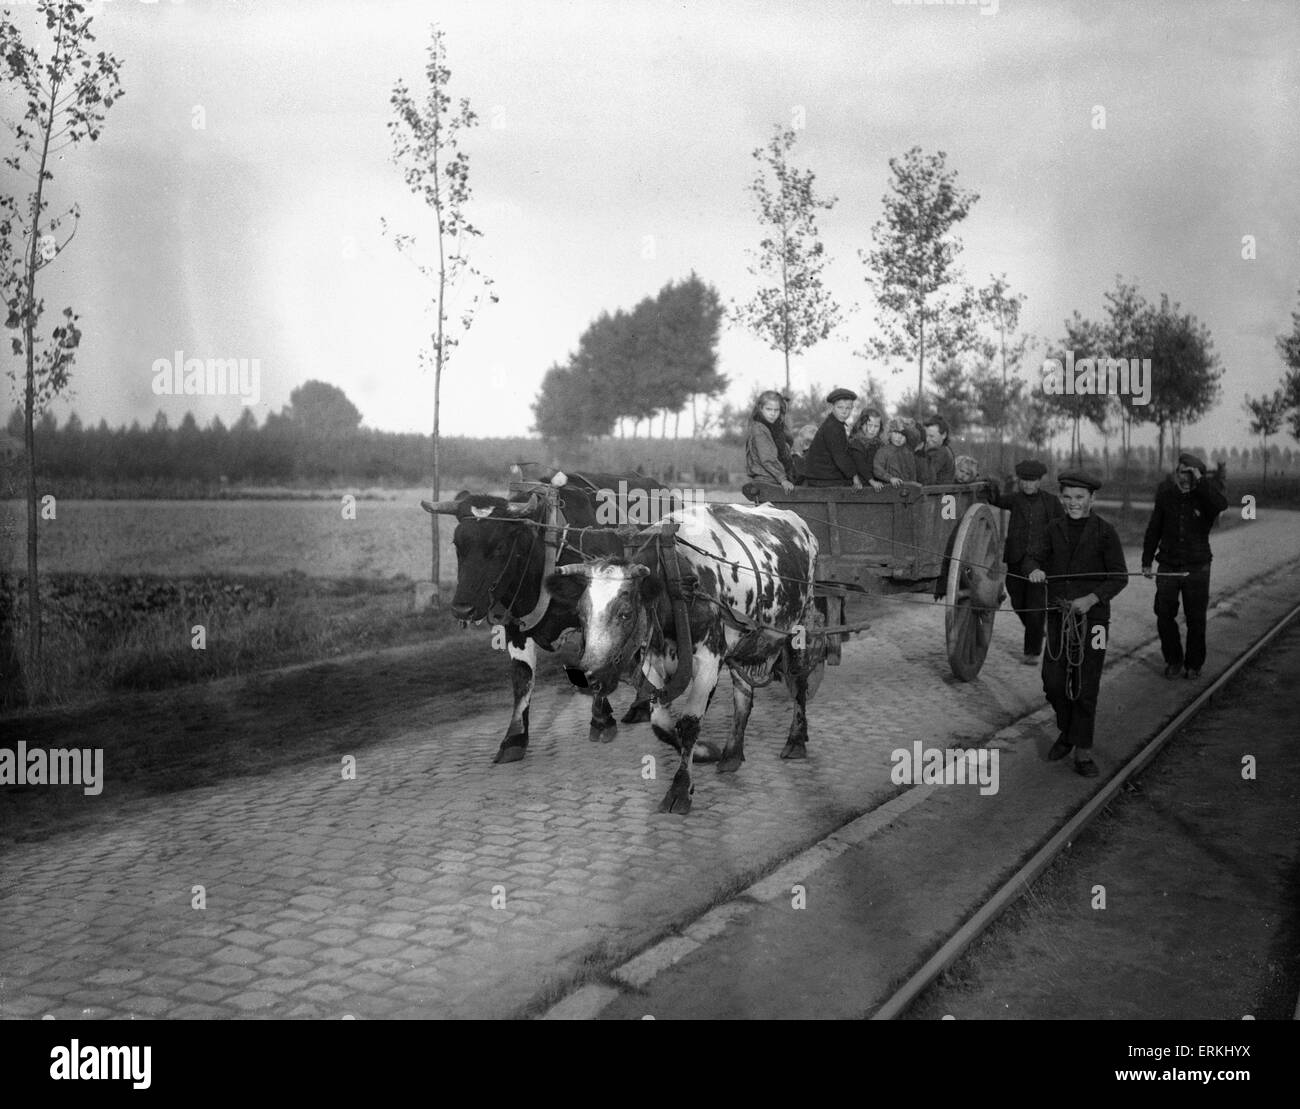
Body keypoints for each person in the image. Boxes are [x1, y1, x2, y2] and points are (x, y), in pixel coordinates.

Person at [1025, 471, 1128, 778]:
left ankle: (1082, 750)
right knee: (1052, 681)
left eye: (1080, 498)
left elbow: (1119, 577)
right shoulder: (1052, 529)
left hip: (1094, 620)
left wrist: (1092, 598)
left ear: (1091, 499)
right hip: (1059, 614)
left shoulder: (1105, 532)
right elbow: (1031, 557)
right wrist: (1034, 570)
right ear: (1061, 498)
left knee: (1086, 684)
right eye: (1067, 497)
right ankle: (1068, 730)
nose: (1073, 504)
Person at [1141, 452, 1229, 680]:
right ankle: (1174, 659)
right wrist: (1146, 561)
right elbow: (1154, 529)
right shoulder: (1166, 495)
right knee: (1163, 615)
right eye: (1181, 472)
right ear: (1176, 473)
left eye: (1190, 473)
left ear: (1197, 475)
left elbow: (1221, 505)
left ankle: (1194, 664)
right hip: (1168, 566)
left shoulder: (1205, 497)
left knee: (1196, 618)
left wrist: (1201, 482)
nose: (1184, 478)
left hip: (1197, 568)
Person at [988, 459, 1064, 664]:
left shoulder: (1052, 502)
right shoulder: (1015, 499)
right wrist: (990, 484)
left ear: (1040, 481)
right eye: (1024, 481)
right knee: (1018, 602)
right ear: (1020, 481)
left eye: (1032, 481)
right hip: (1015, 560)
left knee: (1035, 606)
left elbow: (1062, 529)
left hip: (1040, 564)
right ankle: (1037, 628)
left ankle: (1032, 651)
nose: (1028, 485)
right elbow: (995, 500)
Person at [802, 388, 859, 487]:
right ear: (832, 407)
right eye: (840, 407)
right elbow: (840, 456)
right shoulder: (832, 427)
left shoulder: (835, 424)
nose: (844, 411)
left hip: (821, 475)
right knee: (859, 485)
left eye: (848, 408)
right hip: (822, 478)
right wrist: (854, 476)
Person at [745, 390, 796, 492]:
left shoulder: (774, 428)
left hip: (772, 477)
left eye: (776, 410)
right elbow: (767, 458)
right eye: (769, 409)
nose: (773, 414)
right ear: (761, 409)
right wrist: (783, 480)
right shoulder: (759, 429)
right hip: (767, 478)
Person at [848, 408, 886, 490]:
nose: (872, 429)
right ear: (861, 425)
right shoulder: (855, 442)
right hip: (860, 483)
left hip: (877, 482)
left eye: (876, 426)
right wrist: (872, 482)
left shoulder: (879, 444)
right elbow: (860, 464)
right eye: (869, 425)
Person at [872, 418, 919, 485]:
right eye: (896, 433)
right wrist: (890, 478)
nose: (899, 437)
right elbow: (877, 469)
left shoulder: (908, 452)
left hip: (908, 488)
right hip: (889, 489)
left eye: (903, 434)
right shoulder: (883, 451)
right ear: (889, 433)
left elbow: (913, 473)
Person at [918, 416, 956, 484]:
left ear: (944, 435)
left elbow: (925, 477)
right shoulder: (944, 449)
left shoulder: (941, 452)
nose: (927, 439)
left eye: (931, 436)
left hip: (937, 493)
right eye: (925, 436)